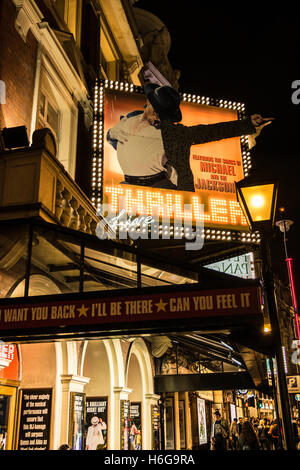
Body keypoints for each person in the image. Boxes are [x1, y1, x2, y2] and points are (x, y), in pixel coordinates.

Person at [107, 84, 274, 191]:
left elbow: (212, 131)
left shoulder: (176, 134)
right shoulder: (131, 116)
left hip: (157, 189)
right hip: (127, 186)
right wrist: (111, 134)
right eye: (156, 110)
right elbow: (115, 139)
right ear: (149, 103)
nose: (157, 117)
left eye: (162, 115)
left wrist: (247, 124)